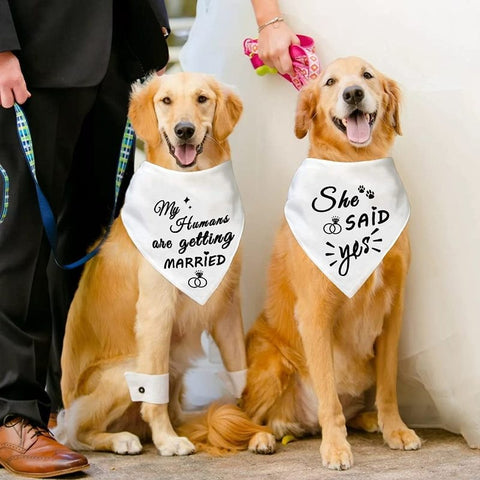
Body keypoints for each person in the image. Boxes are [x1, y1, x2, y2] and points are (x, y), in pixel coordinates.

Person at [180, 0, 480, 448]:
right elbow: (308, 319)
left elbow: (391, 315)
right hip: (290, 363)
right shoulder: (308, 216)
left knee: (394, 306)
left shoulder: (393, 209)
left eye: (366, 79)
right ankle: (305, 421)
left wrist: (391, 413)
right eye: (335, 84)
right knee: (288, 333)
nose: (353, 89)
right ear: (312, 115)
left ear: (388, 104)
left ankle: (381, 409)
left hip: (354, 373)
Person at [0, 0, 170, 476]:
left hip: (117, 54)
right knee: (24, 244)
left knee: (93, 248)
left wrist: (150, 22)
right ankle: (14, 413)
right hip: (31, 56)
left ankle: (65, 403)